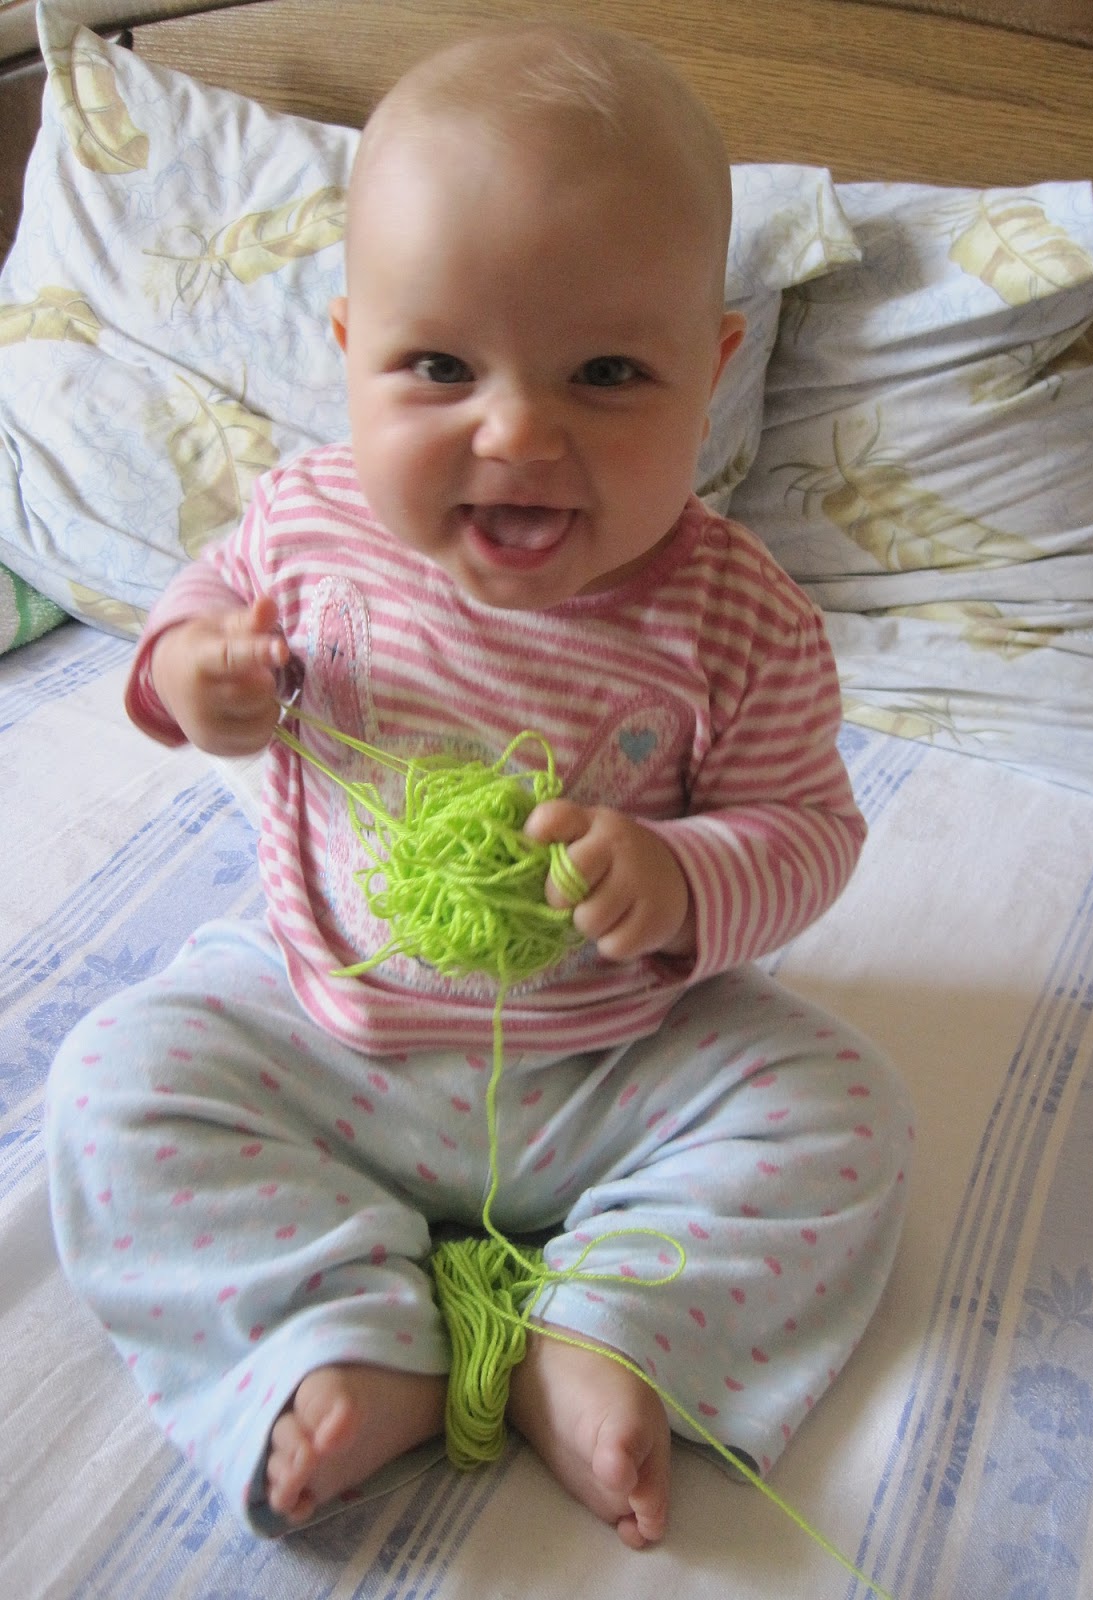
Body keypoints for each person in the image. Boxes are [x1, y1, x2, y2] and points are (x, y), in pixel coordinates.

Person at [44, 23, 912, 1550]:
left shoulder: (739, 616)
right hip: (325, 1026)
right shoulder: (305, 524)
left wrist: (685, 877)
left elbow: (810, 832)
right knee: (114, 1076)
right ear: (349, 350)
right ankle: (339, 1331)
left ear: (710, 372)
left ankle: (607, 1331)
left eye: (607, 373)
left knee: (844, 1113)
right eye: (440, 366)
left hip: (612, 1065)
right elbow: (203, 603)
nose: (516, 432)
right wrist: (190, 670)